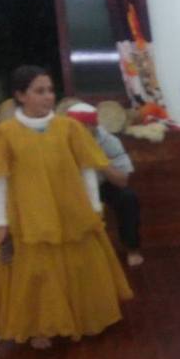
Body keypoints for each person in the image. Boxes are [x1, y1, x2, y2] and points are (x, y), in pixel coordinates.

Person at [0, 66, 133, 350]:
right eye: (39, 91)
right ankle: (38, 326)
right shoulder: (3, 135)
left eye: (50, 90)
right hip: (27, 216)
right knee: (36, 273)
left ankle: (83, 316)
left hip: (70, 212)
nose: (48, 96)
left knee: (79, 266)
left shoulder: (70, 129)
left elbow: (87, 170)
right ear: (21, 95)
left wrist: (94, 207)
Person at [66, 102, 144, 267]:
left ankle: (132, 249)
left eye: (85, 126)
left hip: (102, 184)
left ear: (94, 125)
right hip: (74, 188)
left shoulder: (109, 141)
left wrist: (99, 161)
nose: (80, 131)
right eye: (75, 127)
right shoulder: (61, 141)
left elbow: (123, 181)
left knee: (128, 198)